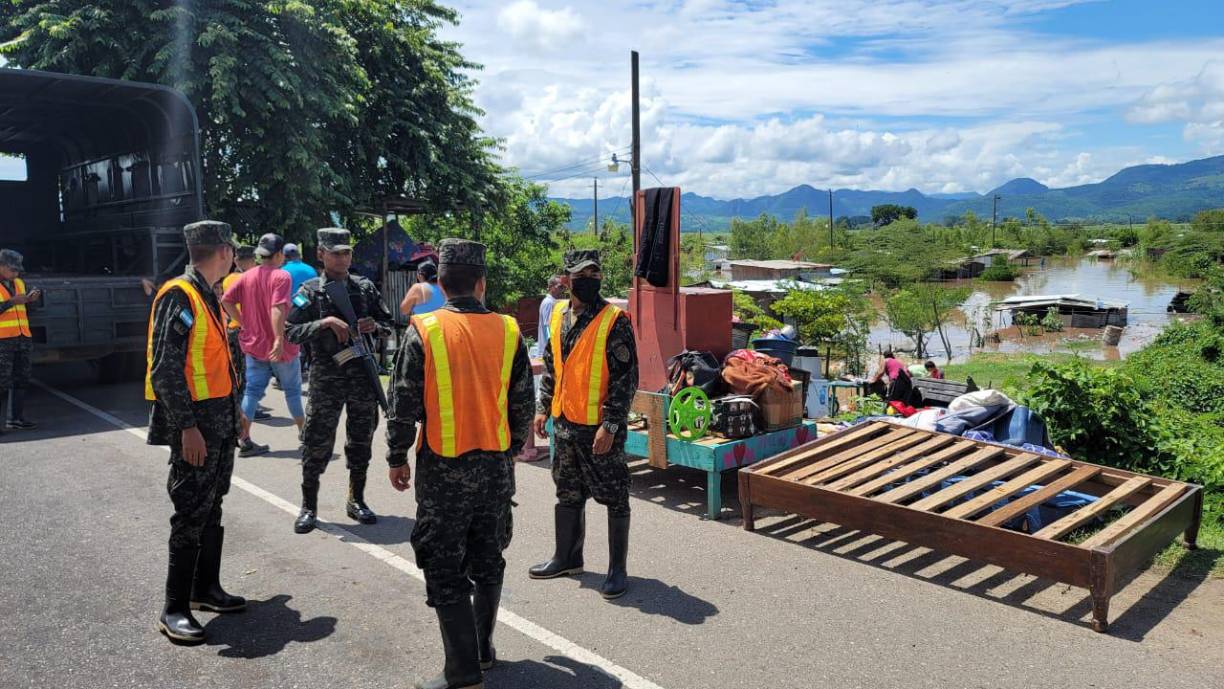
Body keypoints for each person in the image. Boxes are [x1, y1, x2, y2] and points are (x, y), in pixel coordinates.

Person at [385, 238, 534, 689]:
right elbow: (523, 406)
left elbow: (403, 403)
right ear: (482, 283)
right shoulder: (509, 331)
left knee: (444, 565)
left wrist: (396, 455)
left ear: (442, 284)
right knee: (488, 557)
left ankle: (463, 670)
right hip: (494, 469)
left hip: (444, 470)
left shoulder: (424, 329)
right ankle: (483, 650)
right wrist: (506, 452)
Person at [145, 220, 246, 644]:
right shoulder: (179, 295)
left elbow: (219, 361)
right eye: (233, 251)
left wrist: (237, 408)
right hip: (196, 427)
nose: (234, 257)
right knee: (189, 510)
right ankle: (175, 607)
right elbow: (165, 370)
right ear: (222, 250)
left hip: (219, 421)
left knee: (212, 505)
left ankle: (206, 589)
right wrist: (186, 428)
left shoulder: (208, 295)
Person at [530, 249, 638, 600]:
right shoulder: (559, 314)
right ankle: (567, 558)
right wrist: (543, 407)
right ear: (567, 278)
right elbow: (552, 366)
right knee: (567, 492)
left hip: (598, 429)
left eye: (595, 273)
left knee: (615, 496)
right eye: (582, 273)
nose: (590, 278)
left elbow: (626, 378)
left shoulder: (614, 319)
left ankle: (617, 569)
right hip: (564, 424)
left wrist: (611, 424)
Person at [287, 228, 395, 533]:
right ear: (321, 254)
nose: (343, 258)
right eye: (336, 253)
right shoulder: (308, 292)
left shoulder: (364, 289)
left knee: (361, 440)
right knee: (317, 441)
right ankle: (308, 506)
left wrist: (374, 326)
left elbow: (388, 325)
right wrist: (325, 323)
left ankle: (356, 499)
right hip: (326, 378)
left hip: (361, 376)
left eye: (346, 252)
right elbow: (290, 331)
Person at [221, 233, 304, 457]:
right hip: (282, 348)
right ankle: (305, 436)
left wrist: (242, 321)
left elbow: (226, 300)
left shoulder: (246, 276)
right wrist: (278, 338)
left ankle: (245, 440)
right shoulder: (281, 276)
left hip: (254, 346)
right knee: (293, 392)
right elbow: (277, 308)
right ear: (278, 255)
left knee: (252, 392)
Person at [220, 245, 259, 444]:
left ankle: (238, 433)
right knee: (247, 385)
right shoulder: (250, 280)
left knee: (236, 382)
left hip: (231, 331)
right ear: (251, 260)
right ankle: (244, 439)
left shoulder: (228, 279)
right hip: (245, 333)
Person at [0, 249, 39, 433]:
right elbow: (11, 305)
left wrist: (31, 300)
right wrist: (12, 302)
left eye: (18, 270)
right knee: (1, 382)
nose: (16, 273)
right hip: (2, 341)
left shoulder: (20, 283)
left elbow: (26, 310)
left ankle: (16, 419)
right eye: (13, 269)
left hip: (22, 337)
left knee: (21, 379)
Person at [282, 242, 319, 383]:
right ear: (299, 255)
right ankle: (311, 370)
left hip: (291, 311)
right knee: (310, 342)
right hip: (310, 310)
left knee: (291, 343)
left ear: (285, 256)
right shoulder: (311, 270)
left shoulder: (283, 271)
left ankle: (291, 374)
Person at [536, 275, 566, 356]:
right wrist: (551, 347)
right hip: (548, 353)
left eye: (564, 287)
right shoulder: (548, 302)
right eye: (560, 287)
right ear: (551, 287)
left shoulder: (555, 302)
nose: (563, 289)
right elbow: (547, 327)